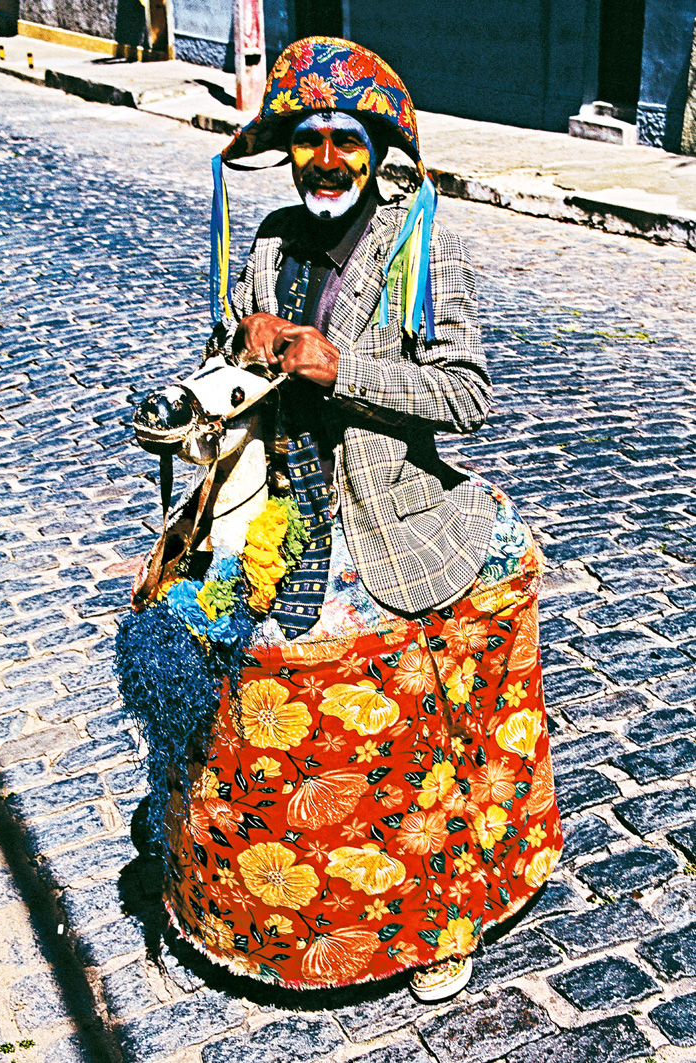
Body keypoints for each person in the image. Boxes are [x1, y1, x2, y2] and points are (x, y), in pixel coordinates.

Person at [122, 37, 563, 1002]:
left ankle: (441, 926)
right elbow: (229, 362)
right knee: (229, 687)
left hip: (393, 529)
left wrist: (339, 368)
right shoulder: (270, 240)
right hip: (272, 511)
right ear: (287, 150)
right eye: (308, 140)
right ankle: (252, 908)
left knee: (410, 749)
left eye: (345, 140)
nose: (325, 160)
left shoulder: (420, 246)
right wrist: (203, 393)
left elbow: (468, 397)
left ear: (375, 148)